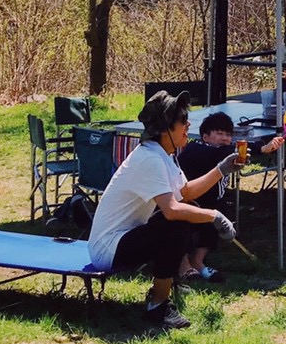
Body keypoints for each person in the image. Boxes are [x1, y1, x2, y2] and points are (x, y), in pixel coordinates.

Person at [86, 91, 241, 330]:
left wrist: (222, 168)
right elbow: (171, 210)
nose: (188, 125)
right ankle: (157, 306)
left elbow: (186, 192)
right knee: (176, 223)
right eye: (182, 121)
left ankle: (165, 287)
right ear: (164, 128)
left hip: (125, 238)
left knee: (184, 213)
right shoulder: (150, 159)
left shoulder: (163, 155)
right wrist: (215, 216)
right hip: (108, 248)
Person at [174, 110, 284, 284]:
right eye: (219, 133)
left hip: (210, 202)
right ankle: (183, 265)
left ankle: (198, 261)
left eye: (227, 135)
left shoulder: (221, 151)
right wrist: (262, 148)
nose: (224, 138)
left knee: (214, 218)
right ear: (205, 136)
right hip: (182, 202)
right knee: (182, 227)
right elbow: (226, 152)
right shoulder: (198, 149)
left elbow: (228, 152)